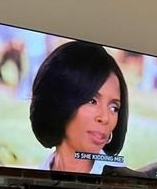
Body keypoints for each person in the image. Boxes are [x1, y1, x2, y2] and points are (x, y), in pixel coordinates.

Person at [30, 40, 129, 174]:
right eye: (92, 101)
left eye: (114, 108)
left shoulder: (122, 183)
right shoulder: (36, 176)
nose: (105, 118)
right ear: (60, 101)